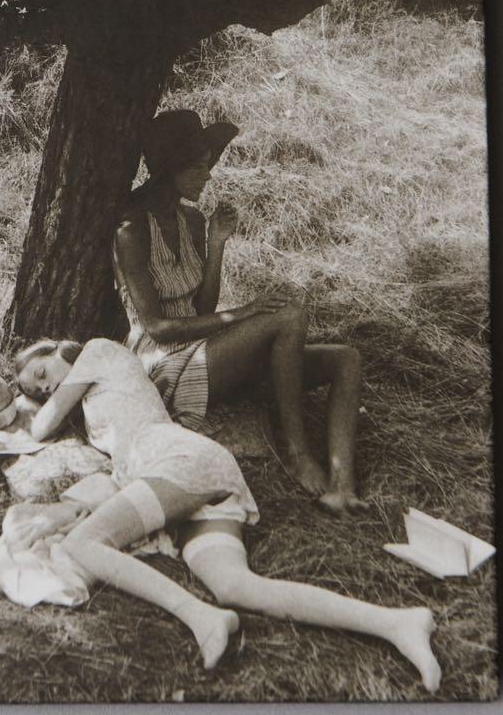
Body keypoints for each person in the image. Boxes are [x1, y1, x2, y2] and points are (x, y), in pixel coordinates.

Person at [10, 337, 441, 691]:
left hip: (179, 459)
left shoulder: (98, 350)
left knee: (83, 542)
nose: (46, 389)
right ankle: (396, 623)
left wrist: (14, 410)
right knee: (235, 586)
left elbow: (42, 426)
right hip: (185, 475)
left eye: (42, 374)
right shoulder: (95, 399)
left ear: (57, 348)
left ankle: (199, 616)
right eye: (38, 390)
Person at [112, 108, 366, 511]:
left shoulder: (192, 220)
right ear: (171, 170)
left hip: (204, 350)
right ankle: (297, 454)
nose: (208, 176)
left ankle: (342, 486)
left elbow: (202, 307)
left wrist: (216, 245)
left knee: (346, 360)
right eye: (198, 167)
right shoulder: (133, 230)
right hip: (162, 364)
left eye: (208, 165)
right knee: (288, 316)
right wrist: (242, 314)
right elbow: (157, 327)